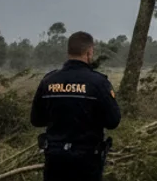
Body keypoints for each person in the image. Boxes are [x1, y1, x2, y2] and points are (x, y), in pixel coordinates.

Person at [30, 31, 122, 181]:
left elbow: (36, 120)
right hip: (87, 161)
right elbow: (113, 121)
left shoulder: (48, 81)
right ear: (89, 52)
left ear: (68, 52)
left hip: (55, 158)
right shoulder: (98, 82)